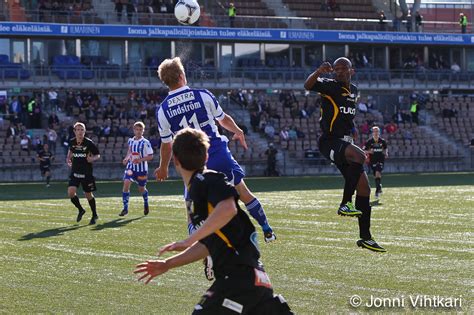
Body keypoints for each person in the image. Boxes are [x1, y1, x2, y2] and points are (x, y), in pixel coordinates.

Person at [134, 128, 293, 314]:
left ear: (175, 160)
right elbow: (209, 244)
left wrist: (189, 239)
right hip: (254, 280)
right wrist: (168, 264)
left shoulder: (206, 180)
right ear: (207, 155)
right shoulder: (197, 189)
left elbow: (228, 208)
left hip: (238, 279)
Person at [155, 57, 276, 242]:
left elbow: (166, 144)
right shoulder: (202, 95)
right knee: (242, 192)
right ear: (181, 76)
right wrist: (238, 130)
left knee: (192, 211)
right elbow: (223, 118)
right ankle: (267, 229)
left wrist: (163, 167)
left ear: (165, 81)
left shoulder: (163, 110)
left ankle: (203, 253)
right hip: (217, 153)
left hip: (192, 164)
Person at [304, 57, 386, 252]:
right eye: (337, 69)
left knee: (365, 189)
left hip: (345, 141)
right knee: (360, 157)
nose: (339, 71)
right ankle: (345, 203)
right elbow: (308, 85)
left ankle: (365, 238)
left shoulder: (354, 91)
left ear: (352, 71)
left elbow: (346, 114)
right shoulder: (329, 85)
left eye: (343, 68)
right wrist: (318, 71)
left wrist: (353, 130)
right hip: (330, 141)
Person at [66, 122, 101, 225]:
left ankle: (94, 215)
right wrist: (68, 159)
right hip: (75, 172)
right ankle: (81, 209)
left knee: (88, 194)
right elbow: (70, 152)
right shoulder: (72, 142)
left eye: (82, 130)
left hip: (86, 173)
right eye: (78, 129)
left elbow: (98, 155)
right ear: (74, 131)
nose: (80, 132)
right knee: (71, 192)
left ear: (84, 131)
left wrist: (92, 158)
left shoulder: (89, 143)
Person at [120, 121, 154, 216]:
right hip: (131, 167)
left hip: (141, 169)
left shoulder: (145, 142)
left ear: (143, 131)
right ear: (134, 130)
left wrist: (140, 160)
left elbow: (151, 156)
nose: (138, 131)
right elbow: (130, 151)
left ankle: (146, 202)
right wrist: (126, 158)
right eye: (137, 129)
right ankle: (125, 208)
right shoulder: (130, 140)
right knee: (126, 183)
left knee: (141, 189)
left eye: (140, 130)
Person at [363, 127, 388, 199]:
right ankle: (379, 186)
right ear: (372, 133)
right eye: (374, 131)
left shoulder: (382, 141)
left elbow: (385, 148)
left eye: (377, 131)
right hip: (372, 160)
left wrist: (386, 153)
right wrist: (369, 152)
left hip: (381, 159)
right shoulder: (369, 141)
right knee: (376, 175)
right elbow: (363, 150)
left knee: (377, 172)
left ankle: (377, 191)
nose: (376, 133)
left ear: (379, 132)